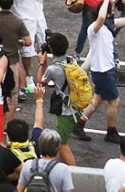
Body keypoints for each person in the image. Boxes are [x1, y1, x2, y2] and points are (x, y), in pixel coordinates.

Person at [75, 0, 125, 143]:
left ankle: (79, 124)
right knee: (114, 101)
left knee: (97, 100)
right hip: (102, 71)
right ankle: (111, 131)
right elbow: (101, 18)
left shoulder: (109, 25)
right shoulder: (94, 28)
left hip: (105, 69)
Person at [0, 0, 31, 112]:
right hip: (12, 62)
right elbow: (28, 41)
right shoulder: (18, 22)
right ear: (12, 3)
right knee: (12, 96)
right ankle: (6, 125)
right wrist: (19, 41)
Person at [36, 33, 78, 165]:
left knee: (62, 144)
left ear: (51, 50)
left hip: (66, 111)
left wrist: (42, 63)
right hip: (75, 104)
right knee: (63, 142)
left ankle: (75, 172)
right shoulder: (71, 61)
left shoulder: (53, 69)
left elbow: (40, 82)